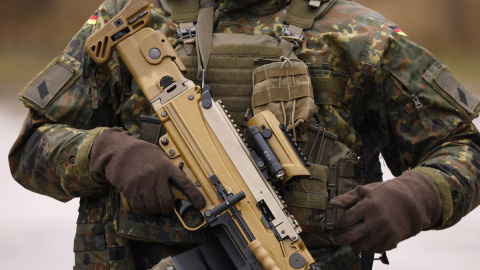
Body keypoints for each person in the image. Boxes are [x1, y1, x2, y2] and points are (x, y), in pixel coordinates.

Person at [8, 0, 480, 269]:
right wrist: (106, 152)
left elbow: (463, 149)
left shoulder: (362, 37)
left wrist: (416, 195)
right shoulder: (131, 21)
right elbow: (31, 146)